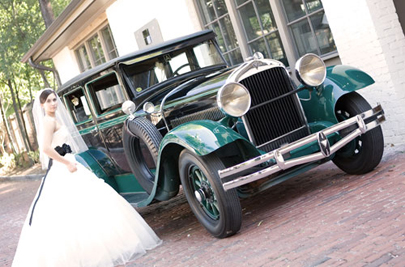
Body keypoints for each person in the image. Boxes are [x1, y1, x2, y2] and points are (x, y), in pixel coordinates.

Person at [12, 88, 162, 267]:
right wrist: (66, 163)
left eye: (54, 100)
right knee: (72, 211)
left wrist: (70, 161)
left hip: (70, 164)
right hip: (63, 168)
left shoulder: (54, 119)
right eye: (49, 101)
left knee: (91, 204)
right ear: (42, 104)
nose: (53, 103)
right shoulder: (47, 122)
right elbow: (45, 148)